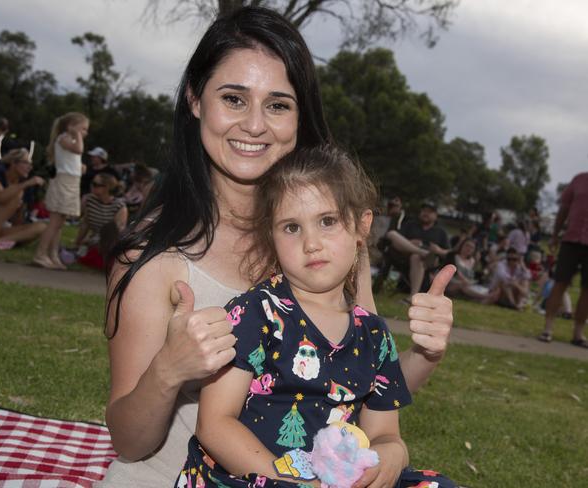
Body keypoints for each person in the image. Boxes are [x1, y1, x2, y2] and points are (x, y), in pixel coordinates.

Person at [99, 7, 455, 487]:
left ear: (299, 116)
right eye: (233, 98)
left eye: (278, 105)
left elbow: (355, 386)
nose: (254, 125)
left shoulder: (336, 244)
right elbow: (129, 442)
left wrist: (426, 355)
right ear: (195, 100)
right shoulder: (152, 256)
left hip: (320, 474)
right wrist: (169, 369)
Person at [179, 145, 454, 488]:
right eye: (291, 227)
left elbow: (384, 433)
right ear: (271, 237)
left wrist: (393, 455)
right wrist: (295, 481)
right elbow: (215, 424)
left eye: (327, 221)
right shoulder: (255, 313)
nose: (311, 243)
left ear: (361, 226)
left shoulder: (373, 335)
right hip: (255, 474)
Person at [538, 171, 588, 347]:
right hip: (571, 240)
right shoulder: (579, 179)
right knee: (560, 283)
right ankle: (548, 329)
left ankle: (578, 334)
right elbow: (564, 208)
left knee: (586, 290)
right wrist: (554, 235)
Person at [33, 112, 89, 270]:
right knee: (54, 222)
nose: (85, 132)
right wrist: (77, 134)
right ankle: (40, 253)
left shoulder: (69, 140)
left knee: (60, 223)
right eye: (83, 128)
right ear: (70, 126)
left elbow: (71, 157)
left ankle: (53, 254)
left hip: (71, 182)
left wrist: (80, 167)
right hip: (63, 183)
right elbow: (78, 150)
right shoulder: (63, 138)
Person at [384, 202, 450, 296]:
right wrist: (410, 243)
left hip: (430, 260)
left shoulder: (440, 232)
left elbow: (449, 253)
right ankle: (421, 252)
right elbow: (397, 240)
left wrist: (439, 250)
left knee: (416, 257)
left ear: (436, 216)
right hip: (404, 255)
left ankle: (413, 296)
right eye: (424, 211)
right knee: (391, 234)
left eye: (429, 212)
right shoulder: (410, 224)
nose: (425, 213)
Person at [74, 172, 127, 270]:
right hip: (94, 241)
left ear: (106, 188)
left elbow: (118, 231)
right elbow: (85, 224)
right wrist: (77, 242)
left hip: (109, 242)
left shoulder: (119, 206)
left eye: (95, 184)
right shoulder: (88, 200)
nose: (92, 186)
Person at [489, 247, 531, 311]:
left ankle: (519, 304)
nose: (511, 261)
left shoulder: (519, 267)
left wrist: (522, 265)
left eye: (514, 259)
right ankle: (513, 305)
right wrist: (514, 282)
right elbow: (502, 276)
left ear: (518, 259)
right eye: (509, 259)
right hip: (499, 292)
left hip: (512, 292)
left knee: (525, 281)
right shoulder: (501, 264)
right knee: (505, 283)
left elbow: (528, 276)